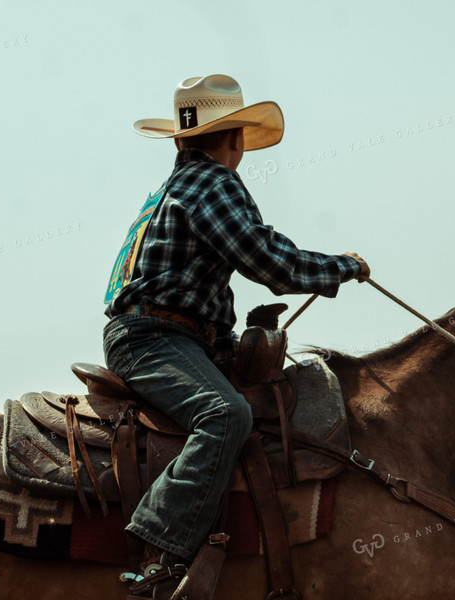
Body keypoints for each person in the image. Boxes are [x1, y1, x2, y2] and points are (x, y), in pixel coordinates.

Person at [102, 74, 369, 598]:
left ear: (179, 139)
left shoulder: (173, 189)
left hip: (162, 334)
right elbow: (270, 261)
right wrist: (344, 267)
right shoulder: (212, 184)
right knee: (226, 414)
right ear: (238, 138)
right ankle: (161, 552)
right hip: (155, 338)